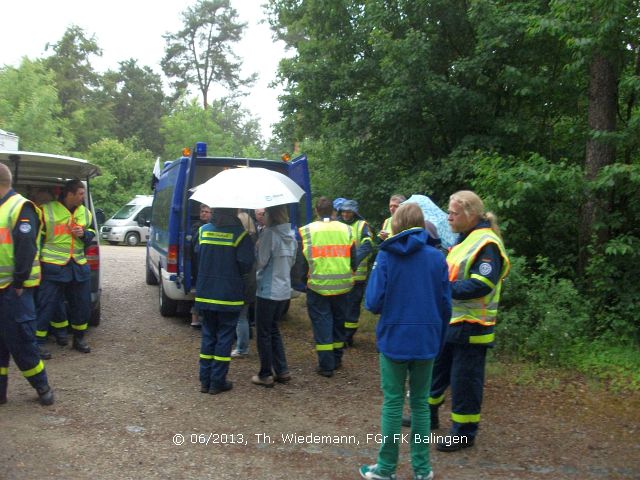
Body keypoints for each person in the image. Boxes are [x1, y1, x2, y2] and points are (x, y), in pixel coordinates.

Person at [359, 202, 451, 480]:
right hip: (426, 341)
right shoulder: (437, 258)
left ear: (396, 224)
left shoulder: (386, 256)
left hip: (394, 340)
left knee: (393, 403)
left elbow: (373, 301)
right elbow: (446, 305)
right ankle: (422, 470)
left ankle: (386, 468)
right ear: (422, 225)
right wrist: (439, 337)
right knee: (421, 405)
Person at [429, 190, 510, 452]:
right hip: (454, 321)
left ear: (470, 214)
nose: (448, 217)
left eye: (453, 212)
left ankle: (464, 433)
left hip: (474, 325)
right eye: (449, 212)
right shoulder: (464, 239)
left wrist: (443, 289)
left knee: (465, 381)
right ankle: (427, 415)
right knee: (438, 370)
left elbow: (482, 284)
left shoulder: (486, 243)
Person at [0, 163, 54, 406]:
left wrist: (19, 281)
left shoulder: (20, 207)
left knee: (22, 342)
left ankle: (42, 386)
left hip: (14, 290)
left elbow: (26, 246)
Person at [195, 207, 254, 395]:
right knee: (224, 337)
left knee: (208, 335)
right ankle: (217, 382)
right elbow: (246, 264)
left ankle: (205, 381)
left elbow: (196, 255)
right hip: (229, 294)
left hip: (205, 292)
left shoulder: (203, 231)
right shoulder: (240, 234)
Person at [35, 178, 96, 358]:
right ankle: (37, 344)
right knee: (46, 305)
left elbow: (92, 233)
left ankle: (78, 339)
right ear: (69, 194)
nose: (83, 197)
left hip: (78, 265)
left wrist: (84, 233)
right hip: (53, 266)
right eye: (80, 193)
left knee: (82, 304)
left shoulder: (85, 212)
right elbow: (37, 238)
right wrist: (36, 261)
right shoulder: (47, 210)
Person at [298, 196, 356, 377]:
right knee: (339, 321)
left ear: (316, 211)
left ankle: (326, 365)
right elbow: (353, 258)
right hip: (343, 285)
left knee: (322, 324)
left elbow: (302, 262)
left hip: (317, 285)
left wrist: (303, 280)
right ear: (333, 211)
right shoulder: (346, 230)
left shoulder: (308, 231)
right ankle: (337, 359)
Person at [251, 204, 297, 387]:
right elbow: (292, 262)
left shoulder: (269, 234)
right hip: (284, 290)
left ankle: (265, 374)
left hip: (267, 290)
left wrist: (257, 247)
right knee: (274, 330)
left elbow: (261, 262)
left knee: (263, 333)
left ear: (271, 214)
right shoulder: (291, 236)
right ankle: (282, 370)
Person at [337, 199, 373, 346]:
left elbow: (368, 245)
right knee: (341, 307)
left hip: (357, 275)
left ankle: (348, 337)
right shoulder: (336, 225)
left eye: (349, 211)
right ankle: (341, 336)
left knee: (352, 307)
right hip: (340, 275)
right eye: (344, 211)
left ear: (354, 212)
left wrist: (353, 262)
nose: (346, 214)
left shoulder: (362, 225)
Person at [231, 211, 258, 358]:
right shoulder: (256, 238)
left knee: (240, 316)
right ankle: (243, 344)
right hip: (252, 281)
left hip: (244, 281)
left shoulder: (243, 239)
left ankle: (242, 347)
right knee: (244, 315)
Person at [190, 203, 211, 328]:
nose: (203, 213)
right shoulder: (197, 227)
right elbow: (197, 248)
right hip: (199, 264)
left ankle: (198, 316)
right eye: (202, 211)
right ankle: (195, 317)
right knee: (201, 290)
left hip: (204, 264)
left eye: (206, 211)